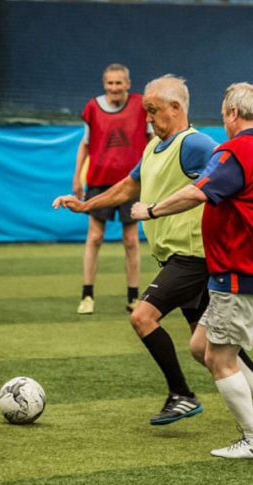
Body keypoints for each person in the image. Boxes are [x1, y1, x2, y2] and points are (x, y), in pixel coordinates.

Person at [54, 75, 253, 427]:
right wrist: (87, 205)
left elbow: (231, 175)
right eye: (146, 110)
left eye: (153, 110)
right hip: (175, 256)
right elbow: (129, 186)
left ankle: (181, 395)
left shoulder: (197, 145)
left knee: (142, 317)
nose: (148, 117)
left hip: (193, 256)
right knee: (207, 346)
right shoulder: (153, 147)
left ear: (175, 108)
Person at [131, 82, 253, 459]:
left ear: (231, 114)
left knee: (221, 359)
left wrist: (151, 209)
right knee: (201, 345)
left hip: (240, 274)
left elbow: (198, 192)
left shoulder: (236, 150)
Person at [72, 63, 153, 314]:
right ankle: (87, 295)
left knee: (130, 240)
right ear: (104, 84)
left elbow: (152, 141)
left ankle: (133, 297)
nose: (114, 88)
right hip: (98, 181)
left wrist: (151, 175)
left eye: (119, 83)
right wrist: (77, 177)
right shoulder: (92, 108)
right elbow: (85, 145)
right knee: (94, 237)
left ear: (128, 84)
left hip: (131, 181)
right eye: (110, 83)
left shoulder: (141, 106)